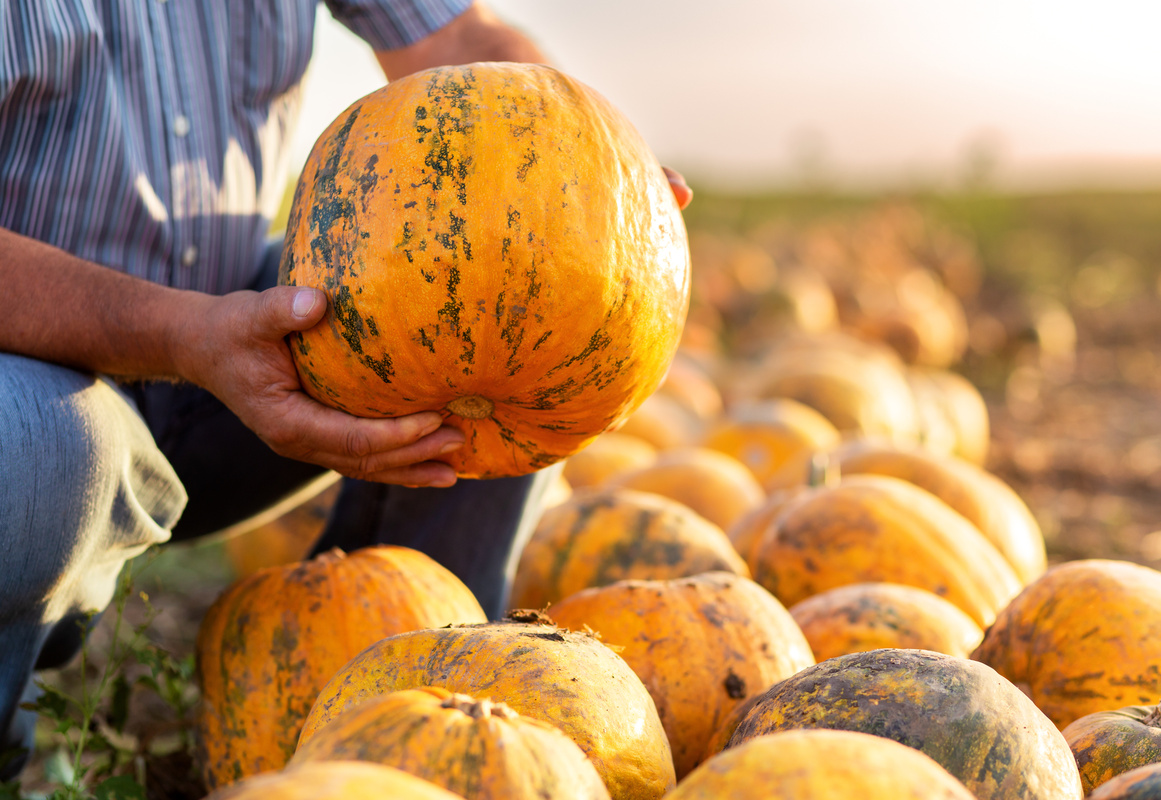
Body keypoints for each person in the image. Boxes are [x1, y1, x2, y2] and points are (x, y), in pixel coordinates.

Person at [0, 0, 693, 780]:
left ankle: (425, 732)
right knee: (42, 457)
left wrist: (592, 162)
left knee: (515, 299)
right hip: (28, 372)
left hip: (228, 343)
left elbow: (459, 38)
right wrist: (183, 334)